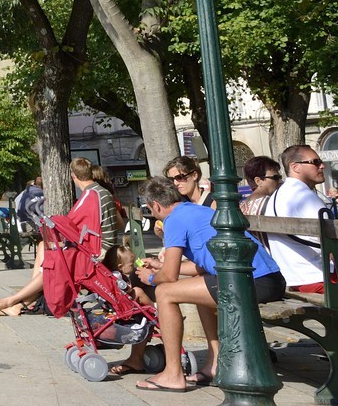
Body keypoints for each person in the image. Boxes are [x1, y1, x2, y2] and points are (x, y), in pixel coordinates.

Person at [129, 176, 284, 393]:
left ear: (155, 205)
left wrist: (151, 278)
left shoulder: (173, 219)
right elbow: (200, 267)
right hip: (267, 279)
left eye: (151, 210)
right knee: (198, 289)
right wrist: (158, 264)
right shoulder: (197, 211)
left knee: (164, 292)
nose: (153, 214)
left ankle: (173, 374)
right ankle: (216, 363)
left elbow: (169, 277)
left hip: (252, 281)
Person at [263, 144, 329, 296]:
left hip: (294, 278)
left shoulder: (278, 196)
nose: (322, 166)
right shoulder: (305, 197)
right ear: (295, 167)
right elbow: (331, 242)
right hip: (318, 278)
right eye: (315, 162)